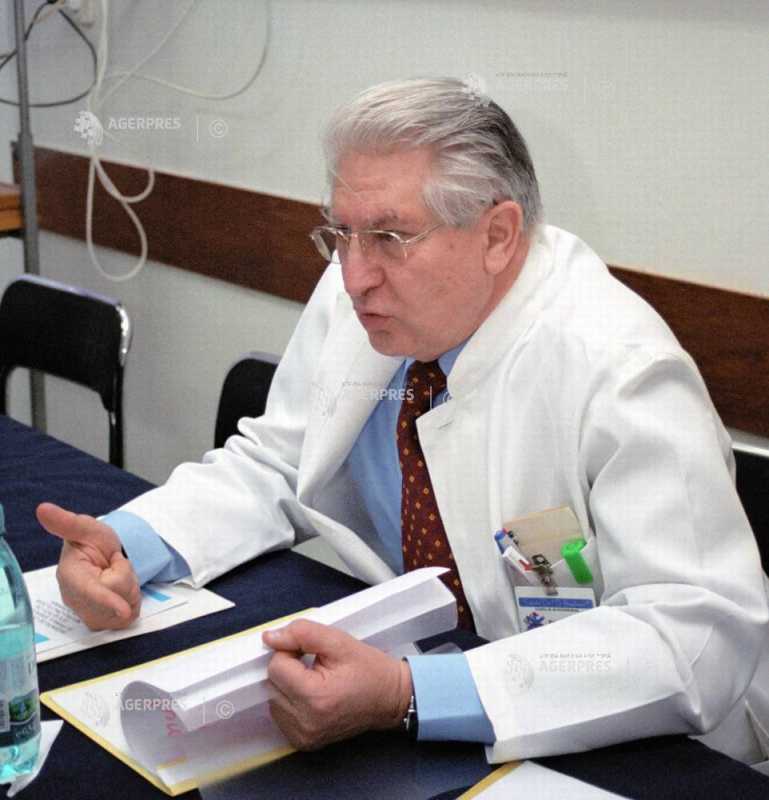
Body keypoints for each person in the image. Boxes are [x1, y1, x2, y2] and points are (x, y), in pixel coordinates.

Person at [37, 78, 769, 763]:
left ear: (498, 235)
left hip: (640, 744)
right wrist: (129, 544)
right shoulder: (361, 292)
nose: (354, 276)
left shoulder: (619, 368)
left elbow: (690, 639)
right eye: (341, 232)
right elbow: (277, 461)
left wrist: (408, 694)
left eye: (390, 236)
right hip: (421, 681)